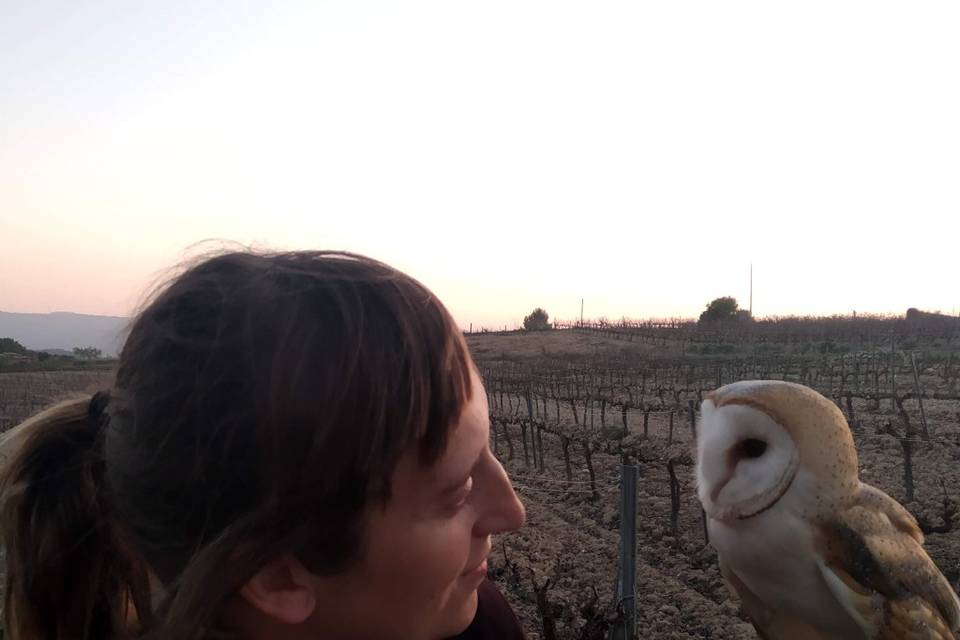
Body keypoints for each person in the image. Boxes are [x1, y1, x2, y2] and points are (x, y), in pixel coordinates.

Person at [0, 250, 527, 640]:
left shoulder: (478, 625)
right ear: (277, 578)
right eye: (456, 492)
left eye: (486, 450)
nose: (512, 511)